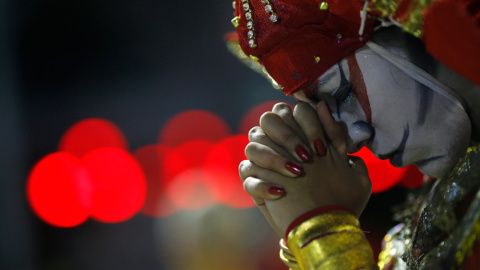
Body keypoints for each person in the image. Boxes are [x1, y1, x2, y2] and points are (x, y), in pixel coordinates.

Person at [227, 0, 480, 269]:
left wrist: (323, 233)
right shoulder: (440, 212)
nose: (349, 140)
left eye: (343, 92)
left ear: (407, 26)